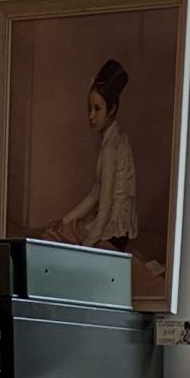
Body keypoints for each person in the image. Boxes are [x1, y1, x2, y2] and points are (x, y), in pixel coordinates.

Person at [55, 60, 137, 250]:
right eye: (89, 109)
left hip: (114, 234)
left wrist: (86, 245)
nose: (91, 116)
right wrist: (66, 219)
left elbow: (106, 207)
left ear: (112, 108)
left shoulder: (111, 149)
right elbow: (95, 193)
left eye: (97, 109)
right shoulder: (113, 140)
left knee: (57, 236)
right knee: (62, 227)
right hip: (110, 226)